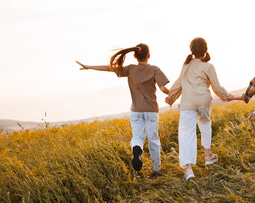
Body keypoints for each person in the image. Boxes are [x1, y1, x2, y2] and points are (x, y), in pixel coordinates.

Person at [76, 43, 169, 177]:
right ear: (149, 56)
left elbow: (110, 68)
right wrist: (173, 95)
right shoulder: (155, 69)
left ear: (134, 56)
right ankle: (156, 170)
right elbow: (163, 89)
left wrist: (89, 67)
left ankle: (137, 148)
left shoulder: (130, 69)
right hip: (151, 110)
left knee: (137, 137)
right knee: (153, 139)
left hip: (136, 111)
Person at [165, 37, 229, 181]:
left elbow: (178, 83)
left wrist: (171, 97)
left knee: (187, 133)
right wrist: (226, 96)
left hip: (188, 102)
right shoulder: (209, 66)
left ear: (191, 51)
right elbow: (217, 87)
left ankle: (189, 171)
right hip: (204, 101)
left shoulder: (186, 65)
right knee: (205, 123)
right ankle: (208, 155)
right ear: (205, 51)